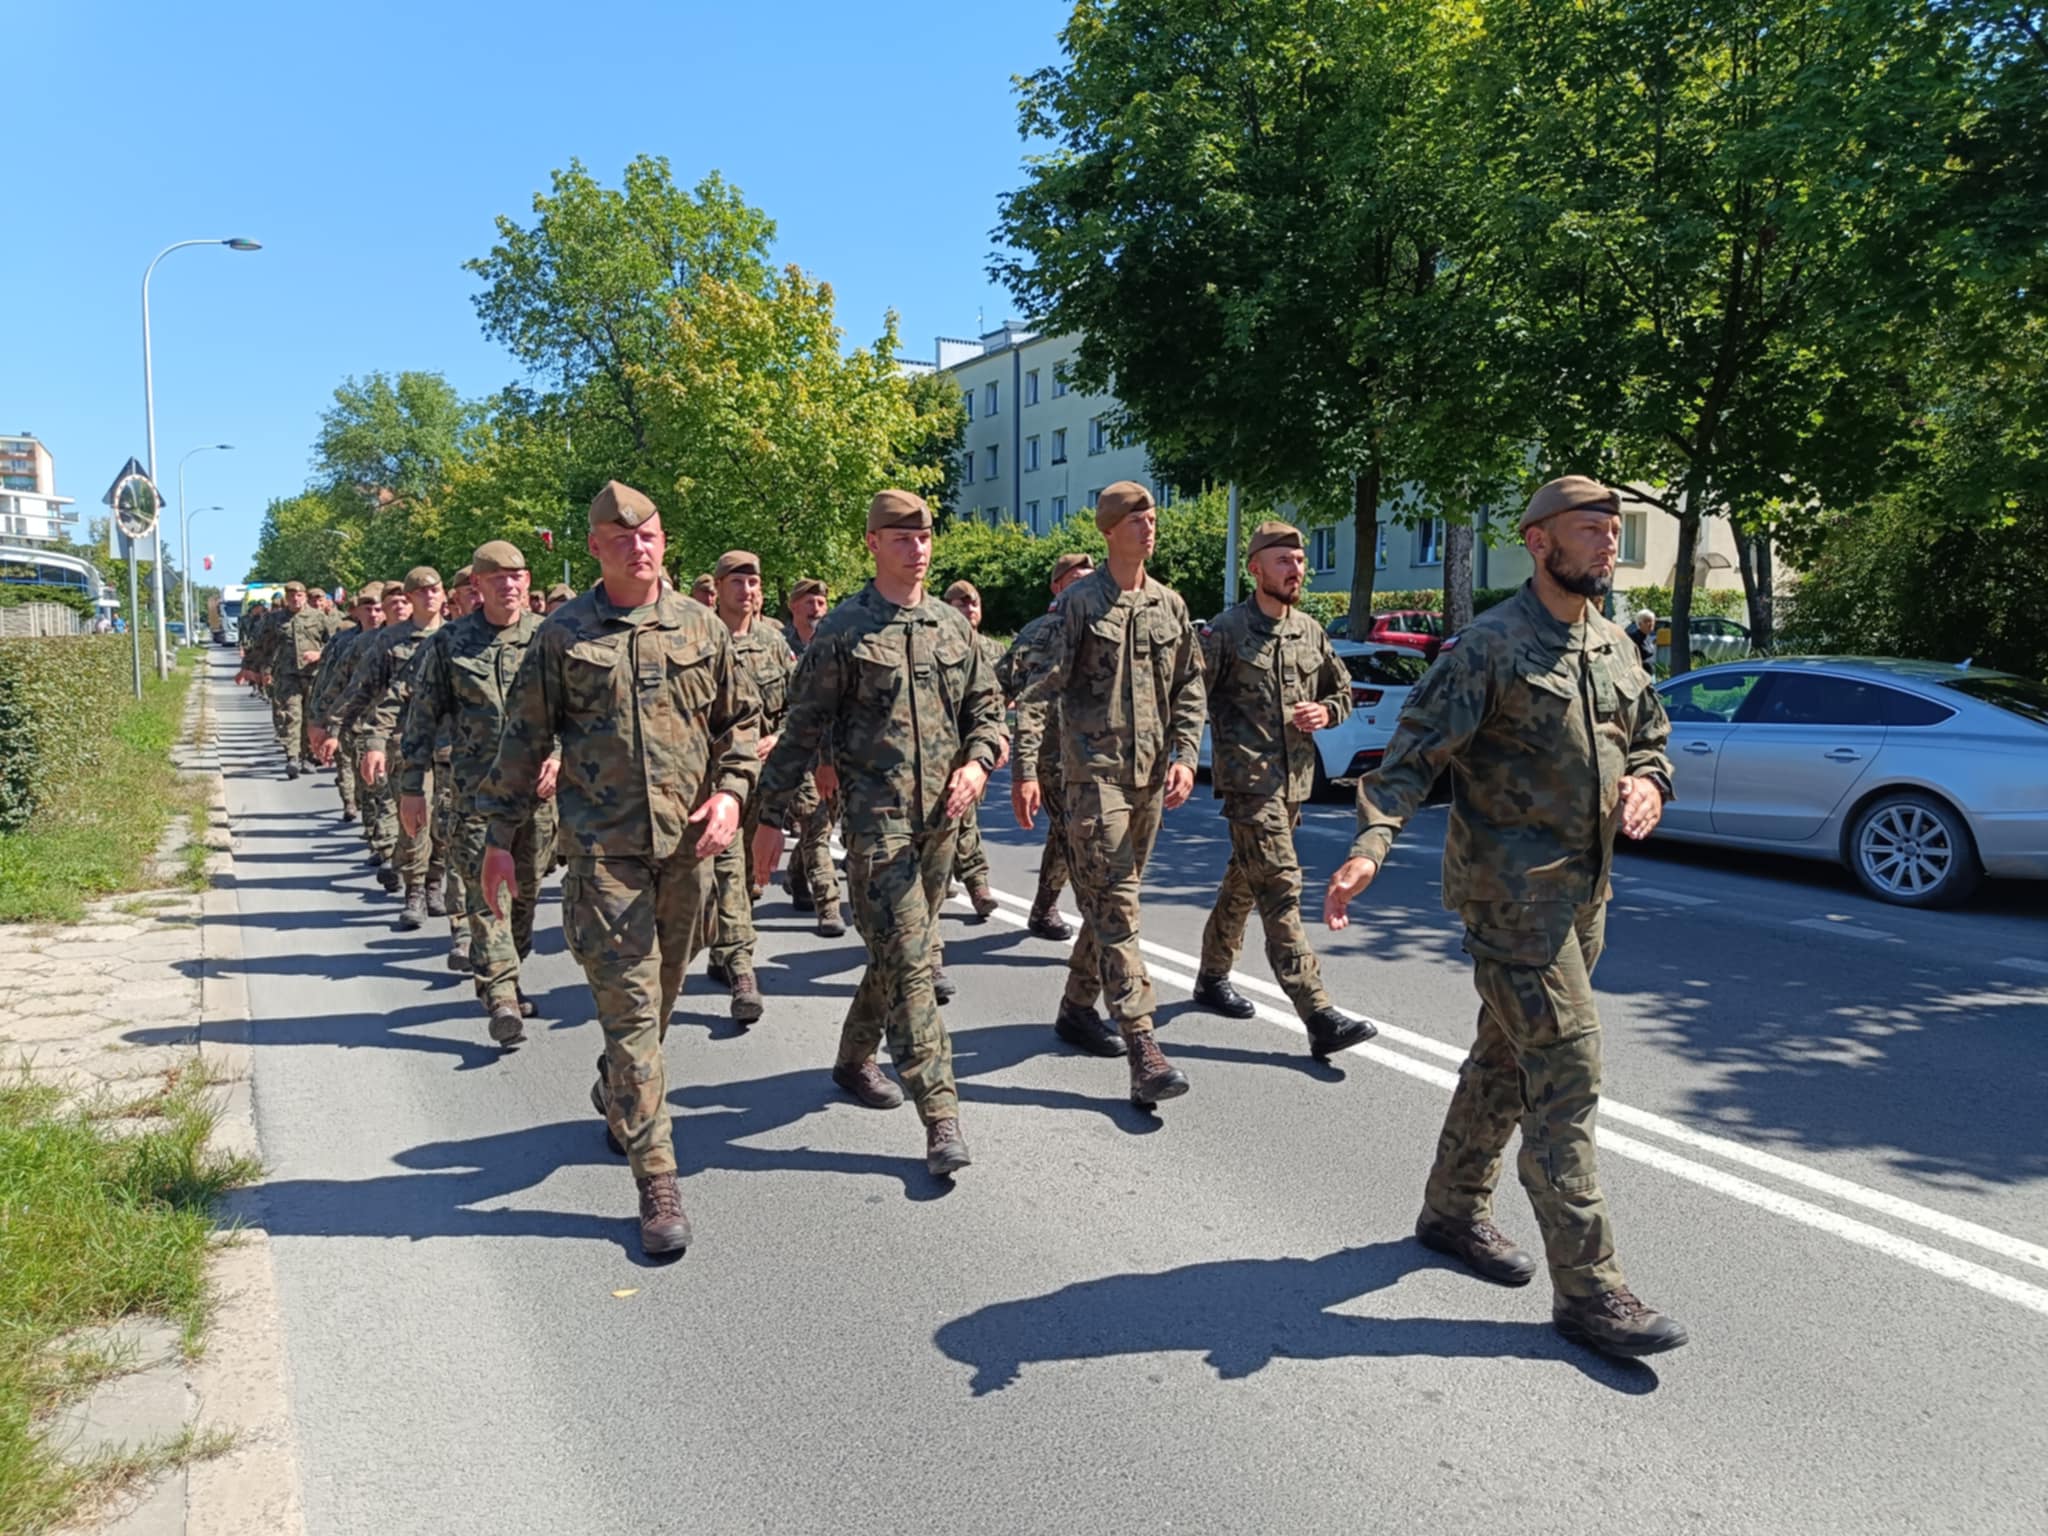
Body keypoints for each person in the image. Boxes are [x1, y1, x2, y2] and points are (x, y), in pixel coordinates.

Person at [1324, 474, 1687, 1360]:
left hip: (1585, 898)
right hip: (1511, 900)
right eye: (1589, 529)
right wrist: (1370, 846)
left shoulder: (1613, 643)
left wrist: (1649, 781)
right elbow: (1410, 760)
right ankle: (1591, 1291)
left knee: (1504, 1061)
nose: (1608, 542)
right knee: (1566, 1070)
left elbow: (1650, 736)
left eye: (1613, 529)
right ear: (1538, 541)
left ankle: (1451, 1211)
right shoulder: (1489, 647)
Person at [478, 481, 759, 1257]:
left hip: (687, 853)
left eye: (651, 535)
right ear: (596, 547)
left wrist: (733, 794)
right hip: (604, 857)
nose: (640, 547)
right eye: (623, 538)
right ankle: (657, 1181)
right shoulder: (563, 636)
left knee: (660, 999)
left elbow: (739, 724)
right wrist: (498, 838)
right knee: (633, 1017)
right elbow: (522, 740)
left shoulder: (701, 626)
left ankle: (617, 1087)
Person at [753, 489, 1002, 1177]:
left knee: (895, 956)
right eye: (901, 538)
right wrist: (770, 817)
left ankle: (851, 1059)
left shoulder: (953, 627)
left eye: (924, 537)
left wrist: (979, 763)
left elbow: (987, 712)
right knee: (914, 965)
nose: (916, 549)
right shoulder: (844, 630)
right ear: (873, 543)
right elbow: (801, 728)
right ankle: (941, 1115)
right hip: (876, 828)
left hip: (942, 825)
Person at [1012, 481, 1206, 1102]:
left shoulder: (1169, 605)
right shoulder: (1078, 604)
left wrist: (1187, 755)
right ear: (1108, 531)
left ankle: (1076, 1007)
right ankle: (1144, 1046)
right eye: (1135, 519)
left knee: (1108, 900)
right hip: (1091, 777)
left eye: (1152, 517)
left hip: (1149, 778)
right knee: (1119, 906)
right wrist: (1024, 770)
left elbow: (1190, 685)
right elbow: (1038, 691)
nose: (1149, 527)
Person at [1195, 521, 1378, 1059]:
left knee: (1244, 880)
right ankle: (1317, 1012)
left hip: (1294, 784)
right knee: (1279, 884)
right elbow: (1188, 697)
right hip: (1248, 785)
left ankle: (1211, 976)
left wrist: (1326, 712)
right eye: (1283, 561)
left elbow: (1342, 691)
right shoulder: (1226, 632)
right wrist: (1179, 758)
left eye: (1299, 561)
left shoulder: (1310, 631)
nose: (1296, 569)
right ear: (1256, 568)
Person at [401, 542, 557, 1045]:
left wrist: (560, 758)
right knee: (488, 895)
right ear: (476, 587)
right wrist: (411, 788)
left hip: (537, 796)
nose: (507, 585)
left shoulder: (550, 637)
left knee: (526, 894)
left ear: (527, 582)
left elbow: (580, 710)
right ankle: (501, 994)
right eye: (495, 578)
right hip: (475, 795)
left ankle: (508, 971)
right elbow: (422, 718)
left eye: (515, 576)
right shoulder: (450, 643)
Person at [702, 549, 796, 1026]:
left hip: (762, 778)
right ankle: (741, 967)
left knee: (746, 878)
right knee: (726, 870)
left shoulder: (774, 643)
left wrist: (778, 738)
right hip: (712, 782)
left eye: (753, 582)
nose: (747, 591)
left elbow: (800, 705)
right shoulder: (697, 638)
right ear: (718, 588)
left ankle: (723, 953)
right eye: (736, 582)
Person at [996, 552, 1093, 941]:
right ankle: (1103, 930)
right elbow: (1001, 686)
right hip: (1051, 756)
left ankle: (1043, 909)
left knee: (1066, 833)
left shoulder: (1101, 628)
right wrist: (999, 738)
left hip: (1094, 757)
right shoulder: (1039, 632)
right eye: (1076, 580)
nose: (1085, 587)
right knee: (1077, 836)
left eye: (1090, 579)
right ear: (1057, 588)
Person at [343, 569, 447, 925]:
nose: (428, 596)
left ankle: (434, 883)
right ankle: (414, 890)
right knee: (415, 819)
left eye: (434, 590)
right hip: (406, 744)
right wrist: (340, 728)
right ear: (411, 597)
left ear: (443, 594)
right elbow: (367, 690)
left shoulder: (457, 637)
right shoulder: (389, 640)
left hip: (452, 747)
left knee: (445, 821)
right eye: (421, 591)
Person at [941, 580, 1008, 921]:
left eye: (974, 603)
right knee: (958, 813)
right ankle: (976, 883)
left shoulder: (994, 651)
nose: (969, 609)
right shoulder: (936, 643)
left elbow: (999, 700)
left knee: (963, 812)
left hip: (977, 747)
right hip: (940, 747)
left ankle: (953, 876)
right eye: (961, 603)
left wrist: (1000, 736)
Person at [781, 578, 843, 937]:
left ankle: (796, 876)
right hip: (795, 754)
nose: (816, 608)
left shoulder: (836, 645)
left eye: (821, 602)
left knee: (822, 823)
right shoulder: (778, 645)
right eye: (808, 602)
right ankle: (828, 905)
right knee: (816, 823)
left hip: (832, 753)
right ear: (793, 606)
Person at [311, 585, 383, 823]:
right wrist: (320, 719)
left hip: (386, 721)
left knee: (379, 781)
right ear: (356, 612)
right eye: (368, 609)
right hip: (350, 716)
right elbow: (331, 680)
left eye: (378, 609)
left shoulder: (399, 638)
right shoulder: (347, 641)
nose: (373, 615)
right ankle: (352, 804)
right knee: (350, 764)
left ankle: (378, 831)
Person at [1629, 608, 1658, 674]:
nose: (1650, 623)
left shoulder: (1649, 637)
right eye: (1646, 621)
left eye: (1651, 621)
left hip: (1650, 673)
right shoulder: (1634, 637)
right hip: (1640, 674)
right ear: (1639, 624)